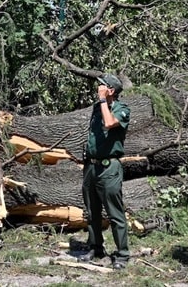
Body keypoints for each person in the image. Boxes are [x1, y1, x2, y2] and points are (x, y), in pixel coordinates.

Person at [79, 73, 131, 269]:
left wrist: (103, 100)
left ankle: (122, 254)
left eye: (102, 86)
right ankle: (95, 247)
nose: (97, 89)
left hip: (109, 168)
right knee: (92, 211)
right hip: (91, 166)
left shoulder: (122, 108)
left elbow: (110, 124)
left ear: (110, 90)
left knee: (114, 212)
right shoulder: (96, 108)